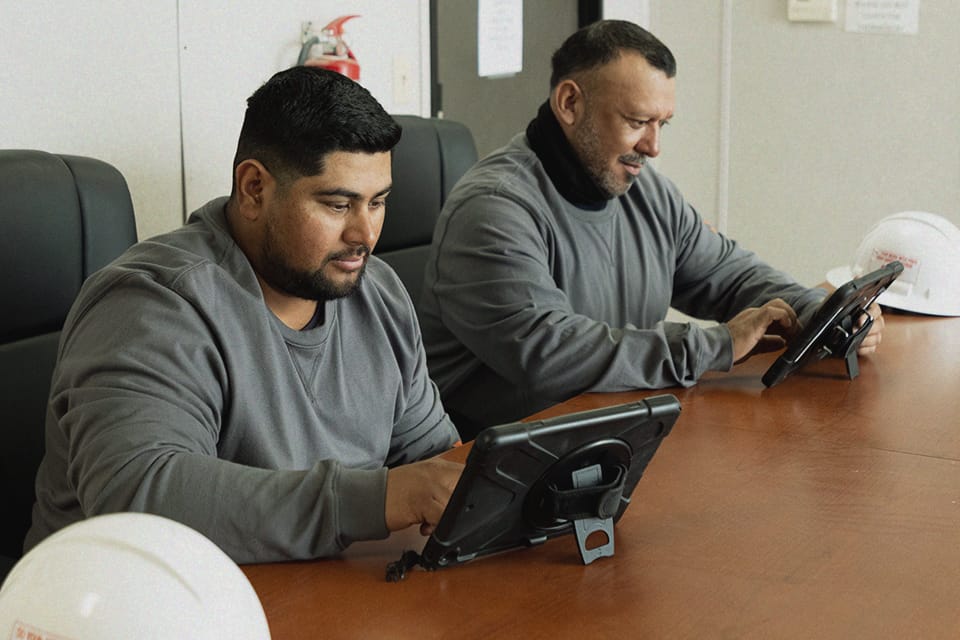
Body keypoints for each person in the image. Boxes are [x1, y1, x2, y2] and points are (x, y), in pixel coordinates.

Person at [25, 66, 463, 563]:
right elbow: (139, 494)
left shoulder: (377, 291)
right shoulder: (150, 303)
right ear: (254, 188)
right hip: (127, 603)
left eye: (378, 202)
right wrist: (373, 501)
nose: (365, 234)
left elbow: (431, 459)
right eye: (339, 204)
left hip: (318, 589)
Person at [418, 20, 885, 439]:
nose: (654, 146)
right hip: (497, 456)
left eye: (662, 124)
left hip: (615, 430)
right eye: (637, 121)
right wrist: (716, 345)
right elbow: (550, 355)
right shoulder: (494, 209)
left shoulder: (646, 192)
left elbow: (729, 274)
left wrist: (819, 312)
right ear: (569, 103)